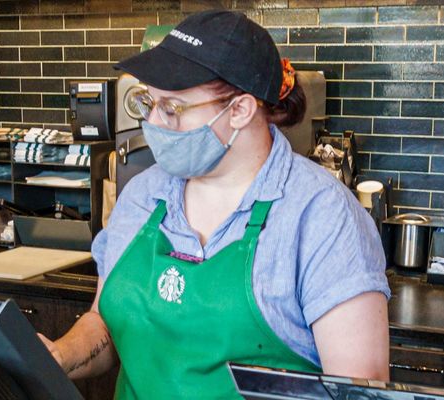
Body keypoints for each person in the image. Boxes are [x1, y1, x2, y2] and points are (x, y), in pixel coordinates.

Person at [38, 10, 391, 399]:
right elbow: (107, 323)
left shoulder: (322, 216)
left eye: (172, 108)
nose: (153, 121)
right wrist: (60, 354)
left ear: (239, 110)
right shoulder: (142, 195)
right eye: (147, 102)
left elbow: (361, 393)